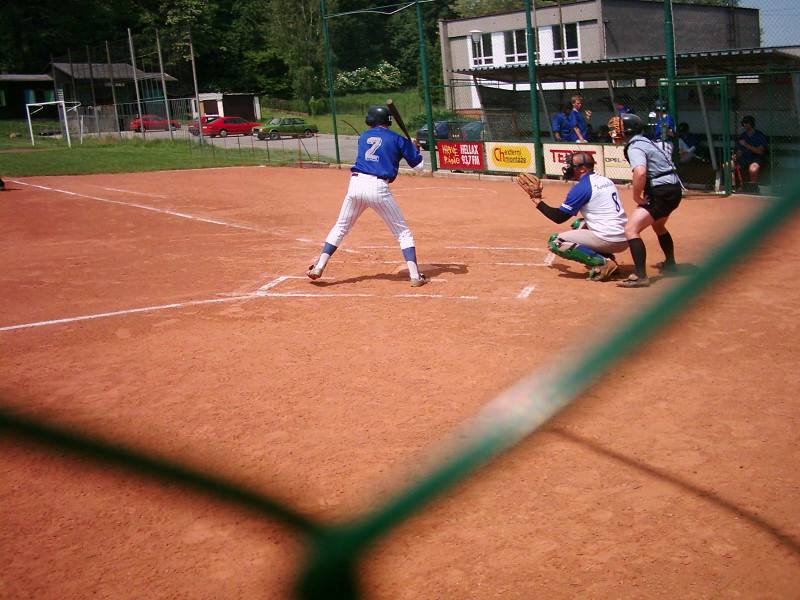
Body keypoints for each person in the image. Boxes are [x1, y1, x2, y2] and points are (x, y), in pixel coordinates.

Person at [306, 105, 427, 287]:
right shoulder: (398, 140)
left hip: (355, 184)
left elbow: (381, 151)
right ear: (388, 121)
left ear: (371, 120)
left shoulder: (364, 136)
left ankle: (319, 266)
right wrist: (414, 150)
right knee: (403, 233)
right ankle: (415, 276)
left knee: (341, 227)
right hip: (378, 187)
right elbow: (419, 168)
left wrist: (407, 147)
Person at [516, 152, 628, 282]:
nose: (568, 168)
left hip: (610, 239)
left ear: (582, 169)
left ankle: (604, 263)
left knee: (556, 242)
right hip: (625, 237)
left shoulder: (582, 187)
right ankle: (609, 260)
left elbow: (559, 217)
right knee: (579, 224)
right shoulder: (606, 180)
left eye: (572, 165)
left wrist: (537, 201)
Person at [612, 113, 682, 288]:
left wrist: (637, 196)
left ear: (627, 130)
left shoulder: (635, 147)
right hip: (672, 190)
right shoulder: (645, 141)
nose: (615, 131)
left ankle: (641, 276)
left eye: (618, 128)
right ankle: (671, 264)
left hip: (661, 192)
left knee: (630, 229)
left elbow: (640, 172)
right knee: (658, 226)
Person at [735, 115, 768, 193]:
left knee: (753, 168)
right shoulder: (742, 136)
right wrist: (737, 155)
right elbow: (739, 152)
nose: (745, 125)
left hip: (756, 158)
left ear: (751, 123)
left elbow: (760, 151)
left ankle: (753, 188)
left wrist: (746, 145)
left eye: (747, 123)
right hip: (745, 158)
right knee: (730, 166)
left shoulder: (759, 135)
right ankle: (738, 187)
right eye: (743, 123)